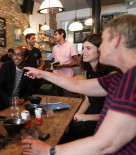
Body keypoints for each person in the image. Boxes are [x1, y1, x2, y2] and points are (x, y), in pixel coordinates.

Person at [22, 14, 136, 154]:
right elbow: (77, 85)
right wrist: (41, 73)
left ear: (117, 40)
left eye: (104, 40)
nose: (100, 48)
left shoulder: (132, 80)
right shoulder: (121, 76)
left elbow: (105, 144)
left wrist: (48, 151)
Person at [60, 34, 119, 143]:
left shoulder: (112, 74)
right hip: (89, 114)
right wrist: (77, 116)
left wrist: (85, 117)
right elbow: (88, 98)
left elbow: (114, 114)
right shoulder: (88, 73)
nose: (83, 52)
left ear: (100, 49)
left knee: (66, 139)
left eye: (88, 48)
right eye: (83, 48)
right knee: (65, 129)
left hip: (103, 120)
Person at [0, 46, 37, 112]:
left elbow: (31, 89)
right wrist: (10, 102)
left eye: (19, 55)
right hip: (4, 103)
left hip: (20, 104)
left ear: (26, 58)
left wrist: (23, 99)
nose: (16, 57)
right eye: (14, 54)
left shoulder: (29, 69)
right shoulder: (6, 66)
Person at [52, 28, 80, 96]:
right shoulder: (54, 48)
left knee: (67, 97)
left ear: (62, 34)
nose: (54, 36)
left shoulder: (71, 46)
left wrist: (63, 65)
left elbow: (77, 62)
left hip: (67, 77)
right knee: (58, 96)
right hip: (56, 76)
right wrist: (54, 66)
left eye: (56, 34)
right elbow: (53, 60)